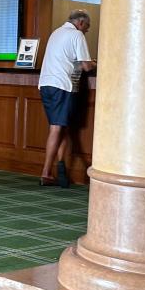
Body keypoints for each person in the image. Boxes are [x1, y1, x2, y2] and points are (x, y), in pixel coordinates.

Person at [37, 10, 96, 187]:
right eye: (87, 27)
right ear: (80, 22)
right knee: (56, 128)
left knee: (62, 126)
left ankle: (61, 169)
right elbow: (85, 66)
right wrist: (95, 63)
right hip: (61, 86)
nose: (86, 31)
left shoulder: (56, 32)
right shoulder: (76, 35)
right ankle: (46, 173)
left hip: (46, 84)